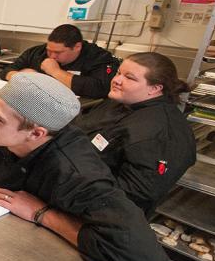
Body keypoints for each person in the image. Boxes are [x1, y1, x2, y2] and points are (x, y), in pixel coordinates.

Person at [0, 72, 170, 261]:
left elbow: (143, 258)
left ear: (36, 133)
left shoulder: (77, 174)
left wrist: (41, 214)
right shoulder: (6, 136)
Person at [72, 52, 196, 217]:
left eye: (129, 78)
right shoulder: (121, 101)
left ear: (155, 88)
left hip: (95, 213)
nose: (116, 80)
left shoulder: (161, 133)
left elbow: (133, 195)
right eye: (118, 73)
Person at [3, 24, 119, 98]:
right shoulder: (38, 52)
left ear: (77, 47)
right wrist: (23, 77)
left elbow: (100, 88)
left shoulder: (98, 57)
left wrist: (55, 72)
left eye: (58, 52)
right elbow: (7, 71)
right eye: (49, 50)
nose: (52, 56)